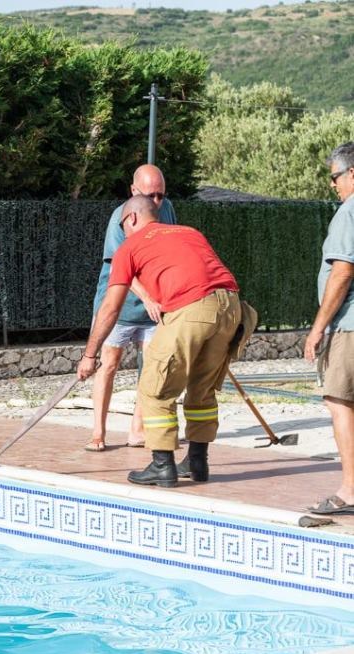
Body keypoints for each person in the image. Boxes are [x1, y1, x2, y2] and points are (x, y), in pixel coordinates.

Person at [77, 195, 251, 488]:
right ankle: (197, 461)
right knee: (202, 388)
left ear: (131, 218)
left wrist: (90, 355)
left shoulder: (129, 246)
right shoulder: (189, 232)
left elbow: (110, 308)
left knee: (154, 386)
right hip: (232, 307)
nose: (123, 231)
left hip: (192, 308)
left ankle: (162, 465)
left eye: (123, 225)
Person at [86, 164, 177, 452]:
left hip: (153, 310)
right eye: (150, 195)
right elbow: (121, 267)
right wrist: (147, 297)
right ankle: (98, 433)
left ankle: (137, 431)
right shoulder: (122, 217)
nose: (157, 202)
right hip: (119, 306)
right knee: (108, 365)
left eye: (161, 195)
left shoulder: (167, 209)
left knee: (150, 370)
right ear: (134, 191)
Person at [304, 142, 354, 515]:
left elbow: (342, 271)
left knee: (339, 401)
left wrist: (318, 328)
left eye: (335, 176)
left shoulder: (349, 212)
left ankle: (350, 491)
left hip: (350, 325)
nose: (332, 184)